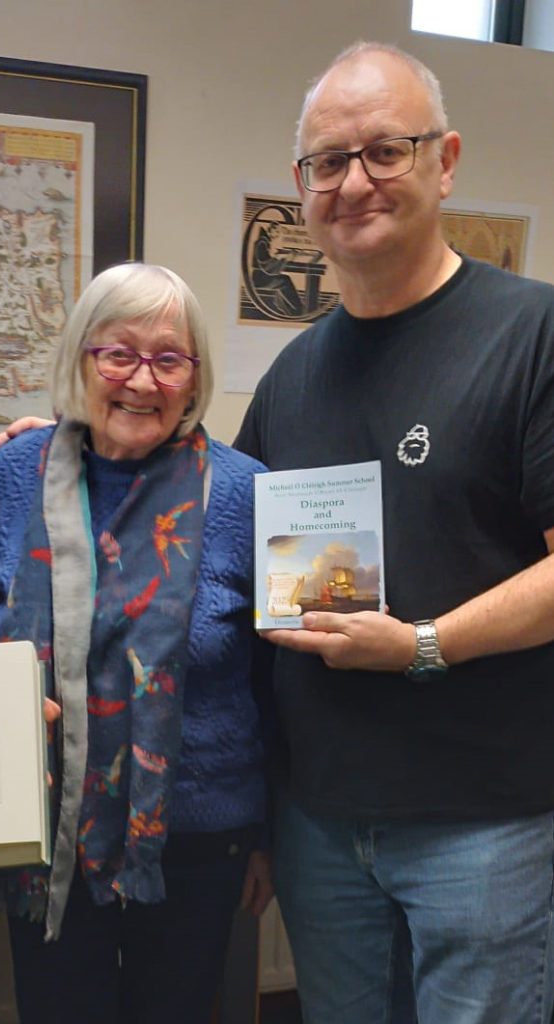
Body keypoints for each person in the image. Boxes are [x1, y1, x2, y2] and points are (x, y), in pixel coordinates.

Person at [234, 41, 554, 1024]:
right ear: (301, 187)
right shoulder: (291, 377)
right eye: (328, 162)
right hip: (320, 821)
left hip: (484, 824)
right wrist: (65, 441)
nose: (354, 181)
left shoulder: (530, 333)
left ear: (444, 160)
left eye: (385, 150)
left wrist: (422, 645)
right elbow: (218, 539)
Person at [0, 262, 273, 1024]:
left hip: (199, 837)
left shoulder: (246, 493)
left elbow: (281, 680)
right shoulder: (16, 470)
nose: (142, 381)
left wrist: (272, 837)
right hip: (42, 828)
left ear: (194, 377)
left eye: (168, 358)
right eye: (117, 353)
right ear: (81, 357)